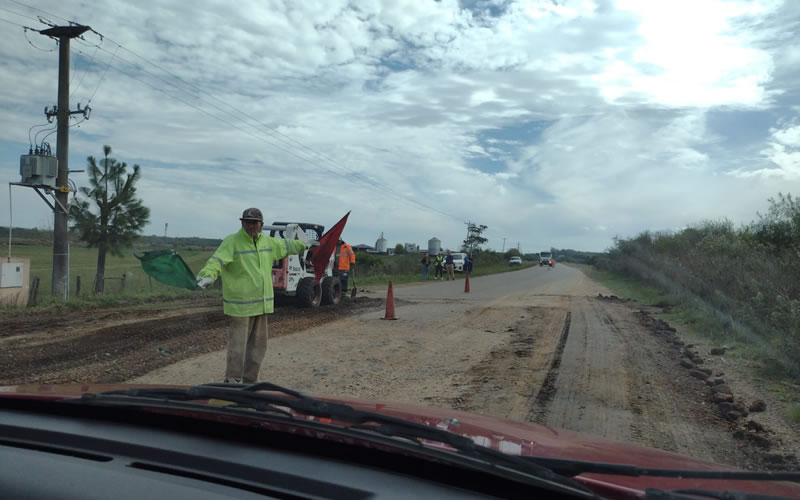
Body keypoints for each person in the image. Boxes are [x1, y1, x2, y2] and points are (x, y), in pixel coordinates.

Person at [196, 208, 309, 384]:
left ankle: (250, 381)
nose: (250, 225)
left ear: (261, 225)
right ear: (242, 223)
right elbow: (216, 261)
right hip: (241, 306)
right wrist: (207, 275)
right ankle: (233, 381)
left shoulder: (269, 242)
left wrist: (308, 244)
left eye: (254, 222)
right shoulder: (232, 242)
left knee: (258, 348)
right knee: (238, 347)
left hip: (261, 304)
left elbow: (288, 245)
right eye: (247, 222)